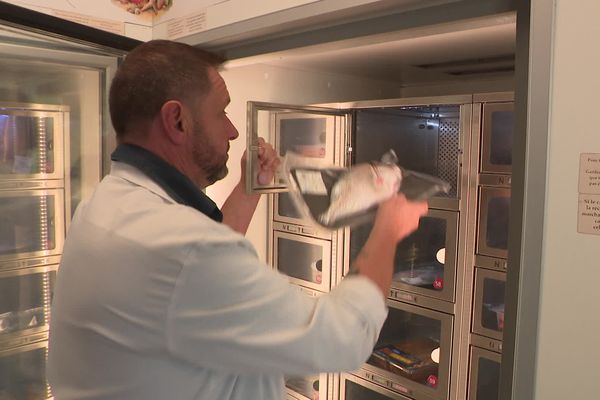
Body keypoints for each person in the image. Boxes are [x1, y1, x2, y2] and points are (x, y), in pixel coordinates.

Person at [47, 40, 428, 400]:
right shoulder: (181, 248)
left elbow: (187, 287)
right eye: (221, 111)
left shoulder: (106, 206)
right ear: (176, 120)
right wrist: (389, 227)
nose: (231, 130)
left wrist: (249, 189)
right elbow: (343, 339)